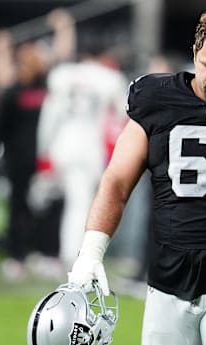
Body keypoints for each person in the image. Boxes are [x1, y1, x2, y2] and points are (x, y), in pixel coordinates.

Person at [68, 8, 206, 345]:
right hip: (168, 276)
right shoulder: (157, 99)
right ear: (195, 55)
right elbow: (117, 182)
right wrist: (90, 253)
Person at [32, 39, 128, 270]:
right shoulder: (110, 78)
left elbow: (49, 115)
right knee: (80, 204)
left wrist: (43, 151)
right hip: (88, 149)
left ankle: (63, 253)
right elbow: (125, 114)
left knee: (70, 202)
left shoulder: (63, 74)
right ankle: (72, 256)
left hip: (61, 145)